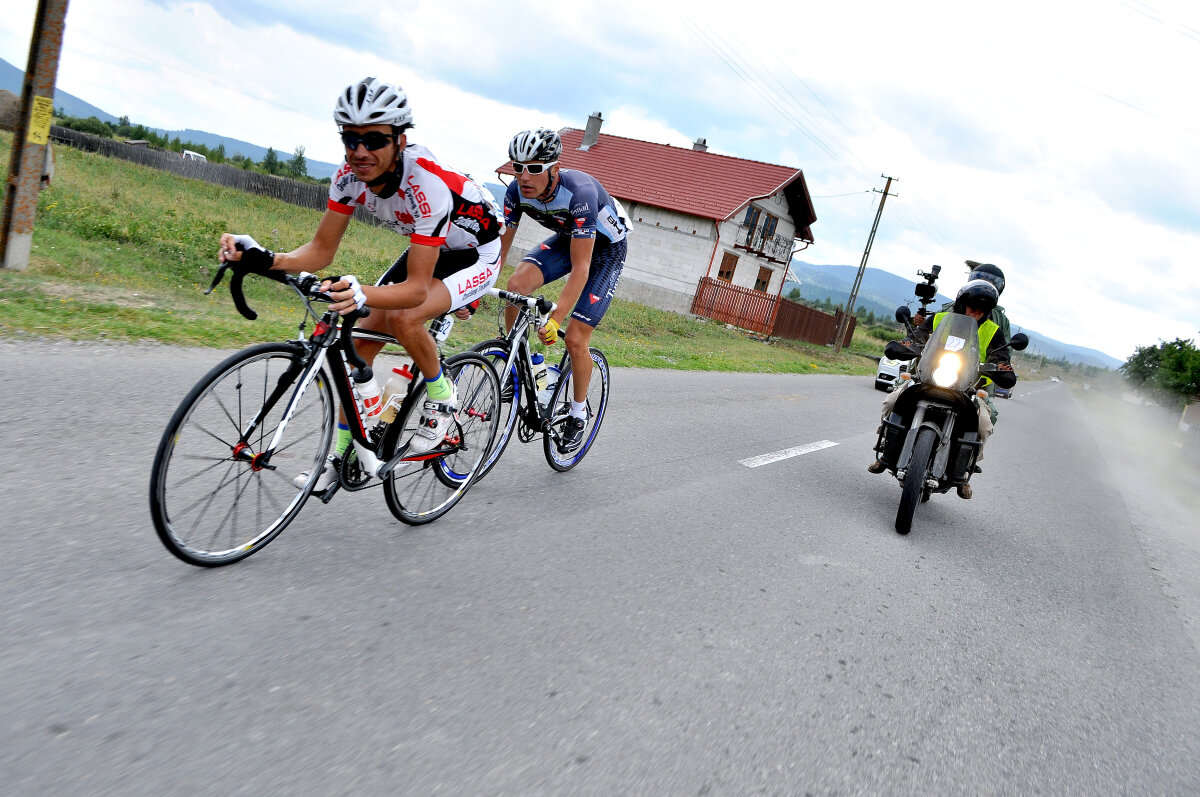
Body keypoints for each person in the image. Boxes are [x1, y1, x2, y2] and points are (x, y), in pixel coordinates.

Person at [217, 77, 504, 491]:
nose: (360, 151)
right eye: (350, 138)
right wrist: (263, 256)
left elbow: (418, 290)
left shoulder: (426, 184)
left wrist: (360, 291)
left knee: (405, 317)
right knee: (360, 341)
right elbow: (320, 250)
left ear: (400, 140)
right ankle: (342, 457)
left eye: (373, 139)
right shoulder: (347, 177)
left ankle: (443, 402)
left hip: (478, 251)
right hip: (433, 246)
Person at [498, 128, 628, 451]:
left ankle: (578, 413)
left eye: (534, 169)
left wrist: (555, 319)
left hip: (605, 253)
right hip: (571, 239)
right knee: (516, 286)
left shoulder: (580, 193)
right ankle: (525, 363)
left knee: (574, 337)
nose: (524, 177)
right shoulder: (515, 193)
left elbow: (581, 270)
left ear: (554, 169)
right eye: (518, 167)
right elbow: (498, 254)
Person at [869, 279, 1017, 498]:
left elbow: (1001, 357)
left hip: (969, 388)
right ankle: (885, 451)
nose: (977, 310)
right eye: (973, 305)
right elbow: (917, 337)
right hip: (928, 379)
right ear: (961, 303)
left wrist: (1002, 368)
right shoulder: (939, 319)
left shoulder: (993, 331)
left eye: (983, 308)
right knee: (892, 401)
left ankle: (965, 470)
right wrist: (905, 345)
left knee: (984, 424)